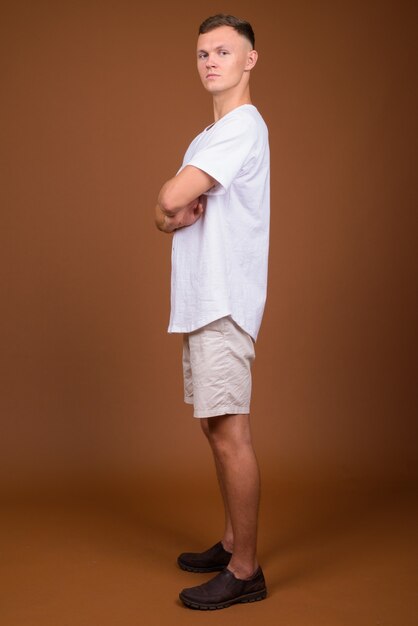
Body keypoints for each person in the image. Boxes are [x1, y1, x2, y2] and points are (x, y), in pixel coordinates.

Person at [155, 14, 270, 610]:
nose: (210, 61)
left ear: (249, 60)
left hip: (224, 299)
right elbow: (165, 215)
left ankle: (246, 571)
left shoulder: (241, 128)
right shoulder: (209, 136)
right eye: (202, 53)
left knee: (229, 432)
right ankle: (232, 542)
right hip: (203, 300)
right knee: (213, 425)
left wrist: (167, 201)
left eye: (223, 51)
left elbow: (171, 200)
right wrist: (166, 207)